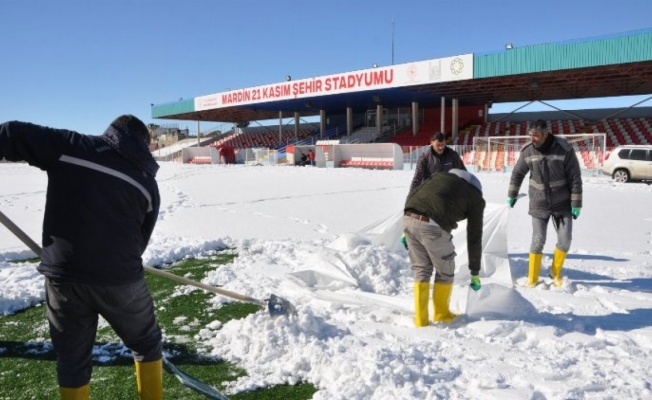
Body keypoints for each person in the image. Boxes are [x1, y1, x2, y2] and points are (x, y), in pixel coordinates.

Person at [0, 115, 163, 400]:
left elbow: (10, 133)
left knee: (72, 359)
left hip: (65, 277)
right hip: (120, 279)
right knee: (147, 343)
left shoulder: (73, 146)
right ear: (143, 144)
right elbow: (140, 239)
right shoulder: (147, 183)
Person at [403, 169, 485, 326]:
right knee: (445, 271)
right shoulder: (476, 197)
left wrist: (405, 228)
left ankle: (421, 320)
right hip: (433, 226)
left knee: (422, 269)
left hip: (408, 218)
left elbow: (413, 194)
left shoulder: (438, 176)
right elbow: (474, 236)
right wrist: (474, 271)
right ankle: (442, 314)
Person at [507, 119, 583, 287]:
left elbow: (575, 177)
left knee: (565, 240)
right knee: (538, 239)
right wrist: (511, 194)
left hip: (562, 202)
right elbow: (517, 174)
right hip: (538, 202)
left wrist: (576, 203)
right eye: (530, 136)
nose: (532, 139)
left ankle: (555, 273)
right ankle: (532, 278)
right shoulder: (528, 151)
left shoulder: (564, 149)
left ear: (545, 134)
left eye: (535, 136)